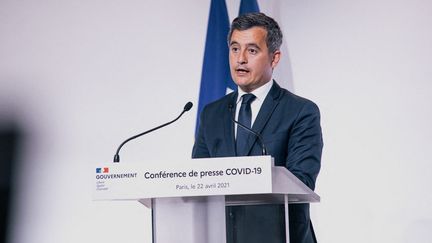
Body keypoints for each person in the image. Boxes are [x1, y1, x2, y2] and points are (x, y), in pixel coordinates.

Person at [192, 12, 323, 243]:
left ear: (274, 58)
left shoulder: (300, 111)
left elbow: (301, 182)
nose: (240, 59)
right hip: (224, 236)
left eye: (252, 50)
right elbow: (198, 180)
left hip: (280, 236)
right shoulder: (212, 114)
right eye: (234, 49)